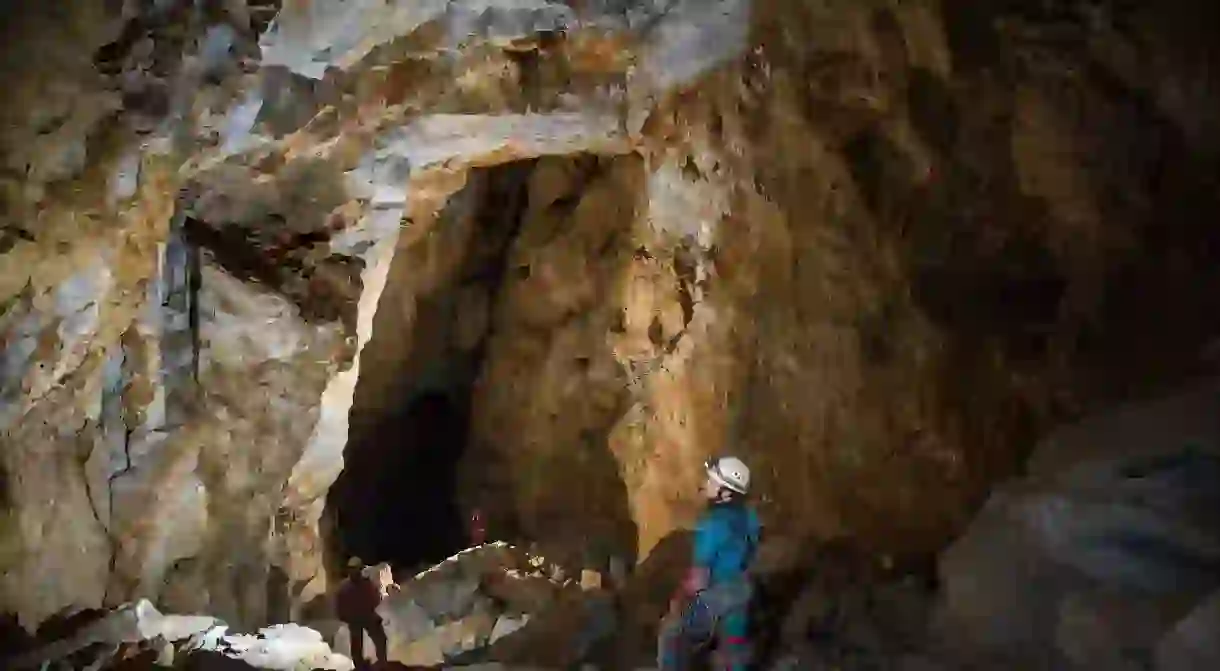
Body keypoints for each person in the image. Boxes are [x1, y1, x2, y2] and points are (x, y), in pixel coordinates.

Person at [658, 456, 762, 671]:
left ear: (726, 493)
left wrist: (678, 601)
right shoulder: (749, 516)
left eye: (712, 481)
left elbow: (699, 576)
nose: (706, 484)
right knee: (732, 651)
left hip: (716, 596)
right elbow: (752, 550)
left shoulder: (712, 525)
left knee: (672, 633)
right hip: (742, 590)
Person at [336, 557, 391, 669]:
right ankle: (369, 663)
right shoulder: (350, 586)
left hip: (363, 616)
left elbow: (375, 598)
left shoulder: (356, 585)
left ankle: (379, 662)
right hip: (359, 617)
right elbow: (340, 606)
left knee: (378, 639)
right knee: (360, 643)